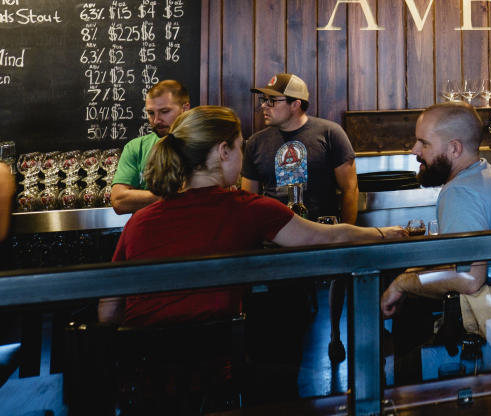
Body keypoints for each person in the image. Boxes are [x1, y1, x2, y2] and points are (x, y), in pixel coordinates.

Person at [99, 106, 404, 326]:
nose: (243, 154)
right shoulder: (245, 208)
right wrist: (383, 234)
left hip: (142, 373)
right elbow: (327, 236)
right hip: (214, 372)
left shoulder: (139, 221)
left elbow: (108, 313)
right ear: (223, 151)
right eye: (239, 146)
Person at [240, 72, 359, 362]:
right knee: (282, 324)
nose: (264, 107)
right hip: (275, 243)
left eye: (272, 101)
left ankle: (334, 338)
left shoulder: (330, 133)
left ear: (296, 104)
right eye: (262, 101)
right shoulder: (255, 143)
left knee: (330, 304)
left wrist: (347, 234)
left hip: (322, 236)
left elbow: (350, 188)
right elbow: (249, 198)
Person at [380, 102, 491, 316]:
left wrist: (402, 284)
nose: (414, 150)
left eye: (424, 143)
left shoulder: (460, 191)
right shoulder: (482, 171)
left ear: (454, 148)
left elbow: (470, 278)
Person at [111, 80, 191, 214]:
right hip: (148, 230)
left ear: (185, 109)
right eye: (151, 113)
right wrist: (176, 196)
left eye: (165, 111)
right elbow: (119, 201)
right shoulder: (136, 147)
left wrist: (144, 196)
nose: (156, 120)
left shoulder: (202, 144)